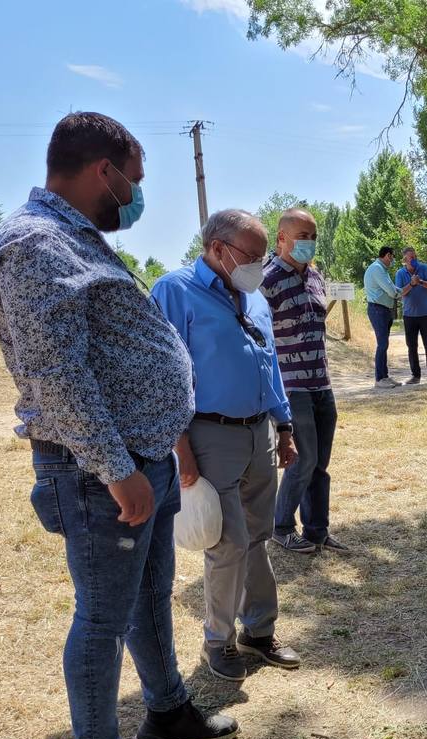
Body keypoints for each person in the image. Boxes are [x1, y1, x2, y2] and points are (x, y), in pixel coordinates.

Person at [0, 112, 236, 739]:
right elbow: (58, 377)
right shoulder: (35, 246)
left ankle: (166, 710)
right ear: (104, 171)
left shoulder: (74, 239)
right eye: (136, 181)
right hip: (101, 473)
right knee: (100, 617)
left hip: (140, 459)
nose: (136, 196)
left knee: (147, 597)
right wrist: (119, 469)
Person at [152, 209, 302, 682]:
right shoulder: (175, 292)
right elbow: (164, 379)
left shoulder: (253, 297)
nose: (258, 264)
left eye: (261, 256)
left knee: (258, 537)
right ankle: (219, 639)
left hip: (259, 432)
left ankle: (259, 631)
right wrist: (182, 448)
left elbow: (269, 363)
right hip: (209, 434)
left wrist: (283, 426)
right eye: (251, 255)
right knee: (227, 541)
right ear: (217, 249)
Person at [260, 207, 350, 555]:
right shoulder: (266, 280)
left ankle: (317, 531)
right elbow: (258, 335)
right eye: (302, 237)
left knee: (320, 464)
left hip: (321, 384)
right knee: (303, 459)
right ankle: (280, 528)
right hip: (291, 387)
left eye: (313, 237)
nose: (309, 243)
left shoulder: (315, 277)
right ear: (282, 238)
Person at [364, 246, 410, 388]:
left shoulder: (382, 269)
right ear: (387, 255)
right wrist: (409, 286)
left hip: (383, 309)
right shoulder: (377, 268)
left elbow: (394, 289)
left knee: (384, 344)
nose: (392, 260)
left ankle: (385, 376)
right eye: (392, 257)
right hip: (377, 309)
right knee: (382, 344)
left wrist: (401, 290)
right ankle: (379, 379)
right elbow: (392, 292)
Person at [396, 247, 427, 384]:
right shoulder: (400, 273)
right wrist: (412, 284)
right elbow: (400, 292)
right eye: (411, 257)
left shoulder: (423, 268)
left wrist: (420, 282)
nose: (414, 259)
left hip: (425, 314)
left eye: (415, 257)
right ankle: (416, 376)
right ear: (405, 259)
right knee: (412, 346)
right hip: (409, 315)